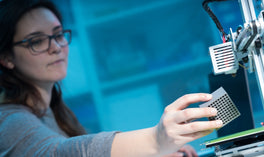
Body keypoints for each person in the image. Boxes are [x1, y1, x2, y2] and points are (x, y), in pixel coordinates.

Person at [0, 0, 223, 156]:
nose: (56, 47)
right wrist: (156, 140)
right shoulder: (8, 121)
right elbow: (59, 153)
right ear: (6, 57)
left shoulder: (56, 114)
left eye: (58, 34)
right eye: (36, 41)